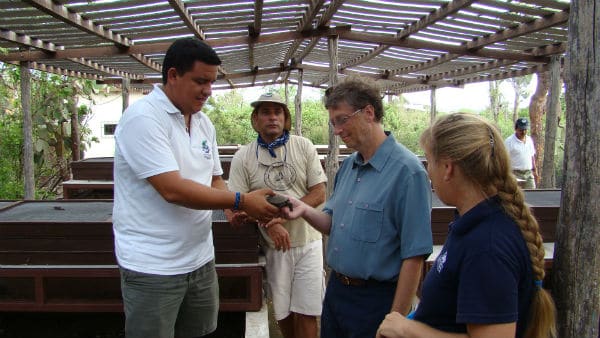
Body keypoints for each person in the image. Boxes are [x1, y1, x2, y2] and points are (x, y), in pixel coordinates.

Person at [112, 37, 279, 338]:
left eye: (211, 82)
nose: (208, 91)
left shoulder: (203, 123)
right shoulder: (143, 119)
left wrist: (230, 209)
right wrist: (241, 199)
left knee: (201, 332)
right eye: (200, 81)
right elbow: (172, 189)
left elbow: (214, 178)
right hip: (153, 266)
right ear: (173, 75)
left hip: (200, 258)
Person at [376, 113, 556, 338]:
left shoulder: (488, 246)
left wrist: (407, 329)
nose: (428, 171)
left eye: (430, 161)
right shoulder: (472, 222)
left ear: (448, 168)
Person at [280, 76, 433, 338]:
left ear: (369, 113)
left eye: (342, 119)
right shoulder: (348, 167)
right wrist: (304, 210)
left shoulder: (408, 173)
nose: (337, 130)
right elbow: (332, 223)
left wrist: (395, 320)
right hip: (337, 292)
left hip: (376, 301)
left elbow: (414, 256)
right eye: (333, 123)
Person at [226, 92, 327, 338]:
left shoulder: (303, 146)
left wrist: (285, 216)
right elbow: (236, 203)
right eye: (265, 112)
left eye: (277, 112)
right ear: (255, 119)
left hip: (308, 241)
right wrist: (267, 223)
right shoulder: (244, 156)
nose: (272, 117)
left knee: (307, 311)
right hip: (274, 247)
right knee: (284, 313)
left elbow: (319, 192)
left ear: (286, 118)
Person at [505, 117, 538, 188]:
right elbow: (504, 159)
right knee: (516, 195)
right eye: (521, 130)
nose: (523, 132)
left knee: (533, 194)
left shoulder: (529, 140)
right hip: (515, 173)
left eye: (525, 130)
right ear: (516, 129)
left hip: (528, 173)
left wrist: (535, 170)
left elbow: (532, 156)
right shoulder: (509, 141)